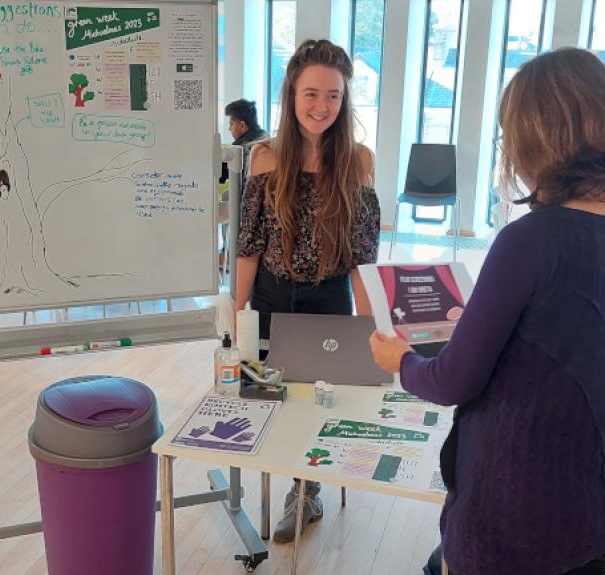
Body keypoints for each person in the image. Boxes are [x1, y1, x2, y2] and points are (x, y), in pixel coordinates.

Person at [369, 47, 605, 575]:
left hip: (515, 513)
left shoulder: (532, 239)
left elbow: (450, 382)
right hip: (601, 500)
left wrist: (400, 360)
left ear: (535, 140)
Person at [235, 39, 380, 544]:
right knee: (270, 397)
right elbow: (249, 245)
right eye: (311, 94)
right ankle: (283, 477)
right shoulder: (265, 157)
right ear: (291, 94)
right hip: (272, 297)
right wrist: (234, 316)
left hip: (328, 299)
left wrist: (368, 328)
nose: (322, 106)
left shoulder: (358, 160)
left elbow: (362, 257)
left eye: (334, 96)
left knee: (319, 403)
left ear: (345, 101)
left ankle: (306, 490)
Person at [221, 99, 268, 186]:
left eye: (231, 124)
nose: (229, 128)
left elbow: (220, 174)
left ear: (242, 125)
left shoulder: (241, 148)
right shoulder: (265, 138)